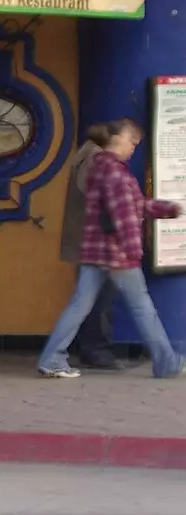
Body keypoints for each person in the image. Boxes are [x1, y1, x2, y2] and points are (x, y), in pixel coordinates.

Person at [38, 119, 184, 380]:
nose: (133, 148)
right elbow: (124, 216)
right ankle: (167, 363)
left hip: (94, 251)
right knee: (143, 308)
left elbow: (133, 204)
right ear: (117, 140)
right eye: (131, 142)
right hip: (115, 253)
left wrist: (168, 209)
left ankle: (52, 358)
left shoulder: (102, 167)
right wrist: (132, 252)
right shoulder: (116, 173)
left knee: (79, 305)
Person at [59, 132, 125, 369]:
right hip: (97, 244)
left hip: (90, 243)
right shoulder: (95, 160)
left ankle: (82, 349)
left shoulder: (87, 156)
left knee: (90, 299)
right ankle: (95, 350)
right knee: (98, 300)